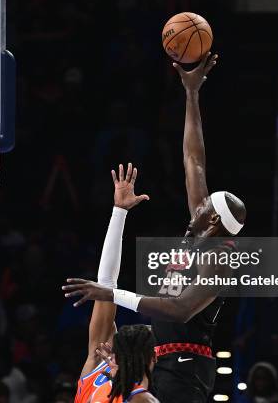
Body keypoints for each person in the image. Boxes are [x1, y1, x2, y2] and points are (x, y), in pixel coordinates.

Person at [62, 52, 246, 402]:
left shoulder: (219, 259)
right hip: (162, 357)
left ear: (215, 223)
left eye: (205, 207)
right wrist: (191, 94)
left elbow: (180, 309)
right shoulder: (201, 230)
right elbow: (194, 162)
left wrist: (114, 295)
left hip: (187, 364)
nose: (198, 203)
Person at [72, 163, 157, 403]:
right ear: (153, 357)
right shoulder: (142, 400)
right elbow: (106, 285)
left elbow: (106, 284)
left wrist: (119, 211)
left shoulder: (96, 368)